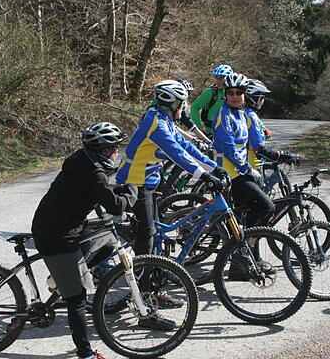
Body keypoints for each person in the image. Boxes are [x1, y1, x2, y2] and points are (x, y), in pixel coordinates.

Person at [116, 80, 226, 320]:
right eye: (183, 103)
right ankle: (142, 295)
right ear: (174, 102)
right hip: (134, 184)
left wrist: (214, 168)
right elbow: (177, 154)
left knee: (157, 238)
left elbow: (186, 146)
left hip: (149, 184)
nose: (185, 108)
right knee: (148, 236)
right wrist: (203, 175)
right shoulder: (154, 122)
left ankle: (153, 289)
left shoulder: (165, 120)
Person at [31, 122, 137, 359]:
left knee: (107, 245)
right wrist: (132, 190)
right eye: (116, 148)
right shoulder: (93, 171)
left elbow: (100, 191)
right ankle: (85, 354)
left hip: (65, 225)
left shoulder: (85, 161)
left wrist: (119, 189)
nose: (118, 152)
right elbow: (114, 204)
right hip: (57, 235)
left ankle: (60, 277)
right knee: (77, 299)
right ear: (106, 150)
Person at [212, 73, 276, 279]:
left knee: (248, 216)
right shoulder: (224, 115)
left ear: (244, 94)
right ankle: (244, 252)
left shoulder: (241, 114)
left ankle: (243, 264)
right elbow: (228, 147)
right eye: (230, 92)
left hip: (240, 171)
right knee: (266, 207)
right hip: (230, 175)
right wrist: (247, 168)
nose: (234, 95)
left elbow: (252, 144)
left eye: (239, 92)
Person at [243, 79, 298, 172]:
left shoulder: (242, 112)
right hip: (250, 166)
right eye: (262, 97)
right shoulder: (251, 116)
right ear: (256, 98)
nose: (263, 100)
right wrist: (283, 155)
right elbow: (260, 150)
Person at [190, 64, 233, 135]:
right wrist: (198, 126)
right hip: (212, 132)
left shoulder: (236, 94)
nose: (219, 81)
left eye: (222, 78)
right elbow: (195, 108)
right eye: (217, 78)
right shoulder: (210, 92)